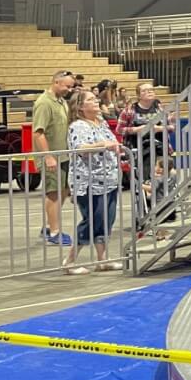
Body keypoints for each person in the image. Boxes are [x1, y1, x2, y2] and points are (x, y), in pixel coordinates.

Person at [65, 89, 122, 274]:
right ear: (81, 106)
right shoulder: (79, 126)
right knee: (92, 220)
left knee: (107, 219)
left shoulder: (102, 122)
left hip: (109, 178)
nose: (96, 101)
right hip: (90, 181)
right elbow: (80, 148)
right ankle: (70, 261)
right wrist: (102, 145)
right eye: (91, 99)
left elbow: (112, 141)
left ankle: (102, 259)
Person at [33, 68, 77, 247]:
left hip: (64, 156)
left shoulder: (61, 101)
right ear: (56, 82)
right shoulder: (44, 103)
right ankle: (54, 232)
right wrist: (48, 156)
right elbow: (38, 133)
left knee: (63, 192)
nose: (69, 89)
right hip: (52, 157)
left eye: (71, 87)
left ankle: (51, 225)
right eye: (67, 86)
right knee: (54, 194)